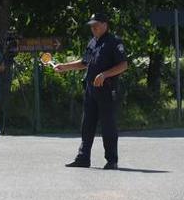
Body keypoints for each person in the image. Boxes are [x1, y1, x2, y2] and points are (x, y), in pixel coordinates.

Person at [48, 13, 128, 169]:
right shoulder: (93, 42)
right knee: (87, 124)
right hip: (91, 90)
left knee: (108, 126)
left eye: (96, 25)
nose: (93, 28)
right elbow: (85, 62)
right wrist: (64, 66)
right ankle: (83, 158)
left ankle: (112, 160)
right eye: (91, 25)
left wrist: (105, 75)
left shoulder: (114, 42)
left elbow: (123, 65)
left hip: (107, 90)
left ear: (105, 24)